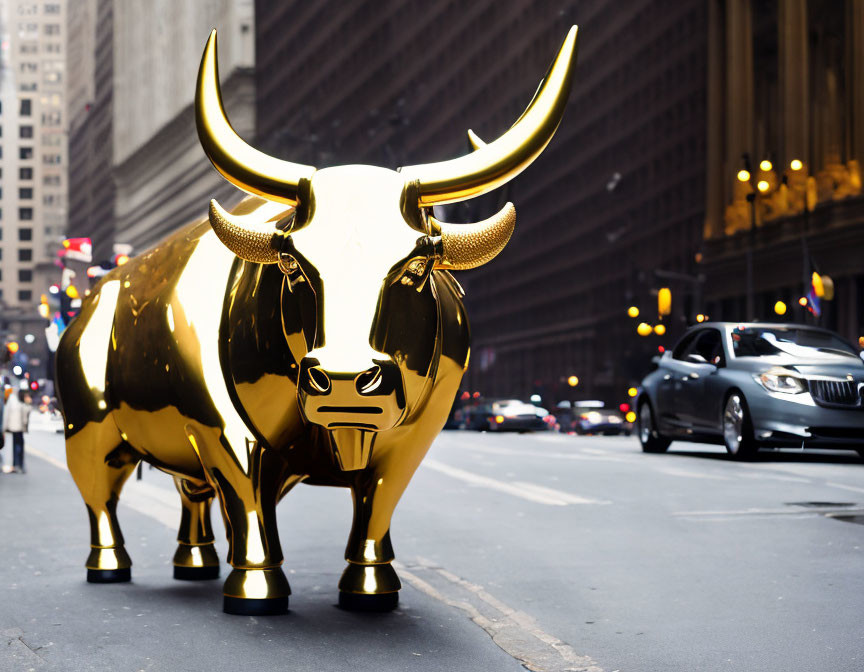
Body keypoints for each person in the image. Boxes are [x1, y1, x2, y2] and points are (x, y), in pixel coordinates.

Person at [4, 390, 31, 474]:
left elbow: (6, 413)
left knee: (17, 446)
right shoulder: (19, 400)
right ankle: (18, 465)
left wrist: (4, 427)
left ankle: (17, 465)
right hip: (17, 428)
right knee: (18, 446)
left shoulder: (15, 399)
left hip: (15, 428)